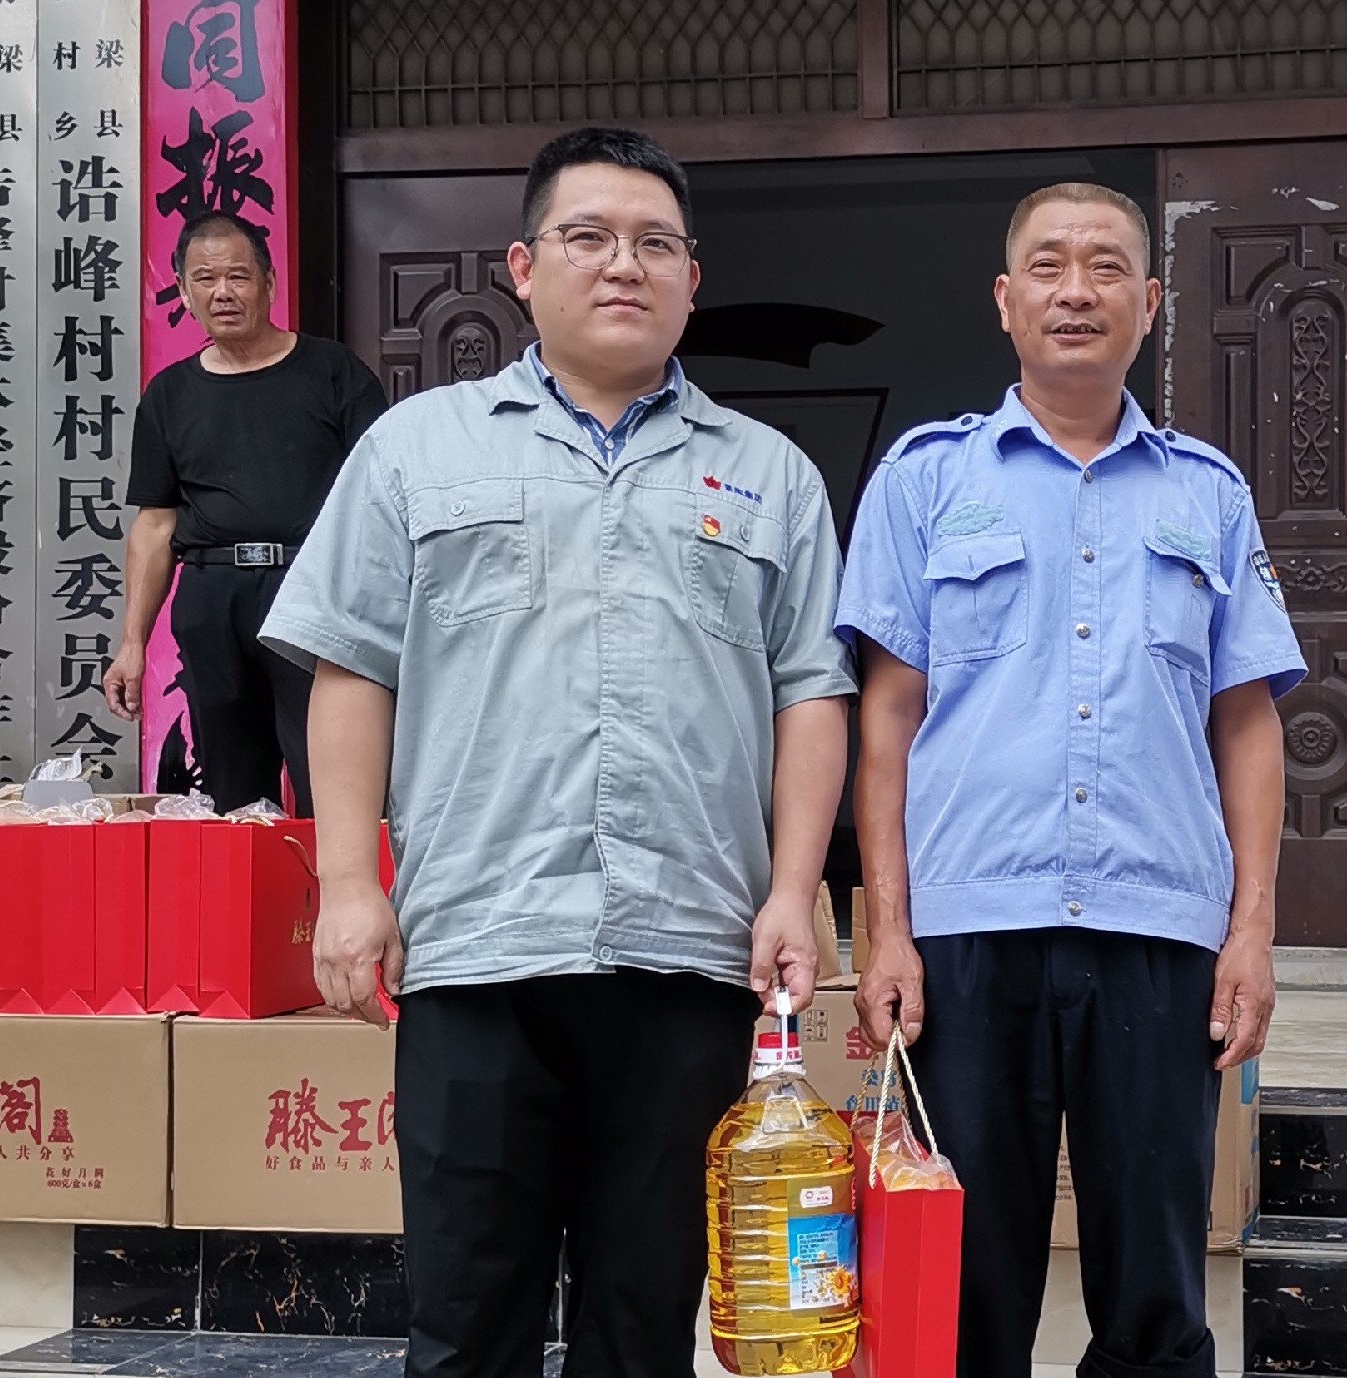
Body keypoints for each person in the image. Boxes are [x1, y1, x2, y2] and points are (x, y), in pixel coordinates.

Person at [259, 127, 855, 1376]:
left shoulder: (771, 476)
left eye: (655, 244)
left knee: (643, 1324)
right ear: (525, 267)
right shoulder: (416, 448)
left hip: (689, 949)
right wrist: (350, 883)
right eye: (589, 238)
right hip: (478, 949)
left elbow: (810, 693)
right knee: (468, 1318)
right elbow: (353, 666)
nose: (623, 265)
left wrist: (794, 889)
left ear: (693, 277)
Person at [839, 183, 1305, 1378]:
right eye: (1048, 266)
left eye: (1105, 267)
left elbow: (1246, 721)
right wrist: (886, 929)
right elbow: (885, 718)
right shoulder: (926, 480)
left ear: (1150, 302)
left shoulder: (1208, 491)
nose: (1076, 290)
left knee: (1156, 1285)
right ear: (1006, 301)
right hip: (970, 929)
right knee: (963, 1283)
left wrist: (1251, 929)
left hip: (1158, 927)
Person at [105, 210, 387, 816]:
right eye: (205, 279)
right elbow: (155, 525)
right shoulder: (168, 395)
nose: (223, 293)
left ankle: (335, 881)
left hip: (311, 592)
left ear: (269, 283)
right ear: (184, 293)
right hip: (212, 599)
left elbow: (383, 497)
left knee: (331, 782)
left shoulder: (333, 373)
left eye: (238, 276)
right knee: (233, 793)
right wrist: (132, 643)